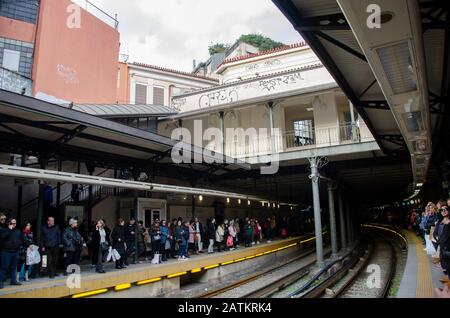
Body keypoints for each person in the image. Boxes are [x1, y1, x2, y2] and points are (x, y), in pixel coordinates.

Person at [0, 219, 23, 288]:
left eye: (15, 223)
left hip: (15, 251)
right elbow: (2, 237)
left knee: (14, 267)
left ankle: (13, 281)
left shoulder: (18, 231)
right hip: (6, 251)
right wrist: (9, 230)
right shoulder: (4, 230)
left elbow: (22, 239)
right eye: (12, 223)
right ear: (9, 223)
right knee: (4, 267)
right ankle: (1, 282)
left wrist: (28, 245)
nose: (14, 224)